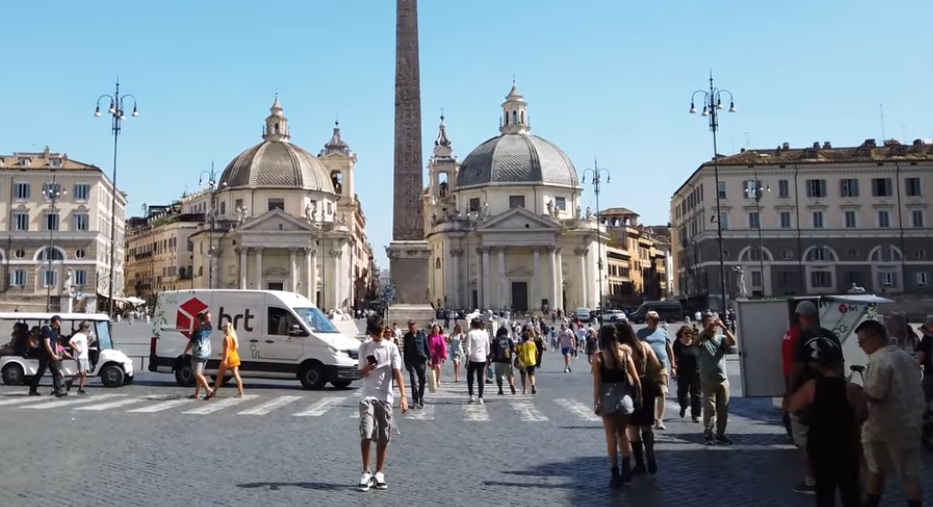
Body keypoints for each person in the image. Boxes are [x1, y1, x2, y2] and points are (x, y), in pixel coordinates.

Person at [788, 330, 865, 507]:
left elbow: (792, 407)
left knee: (824, 492)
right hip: (846, 446)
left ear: (819, 367)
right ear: (839, 365)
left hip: (820, 446)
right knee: (850, 491)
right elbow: (862, 414)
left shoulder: (811, 387)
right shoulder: (851, 389)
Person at [856, 319, 925, 507]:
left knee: (875, 469)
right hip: (910, 423)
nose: (861, 346)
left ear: (874, 337)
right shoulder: (907, 358)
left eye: (862, 342)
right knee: (910, 474)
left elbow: (875, 395)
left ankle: (870, 503)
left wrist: (857, 392)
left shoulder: (879, 361)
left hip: (883, 427)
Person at [357, 314, 408, 492]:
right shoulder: (364, 347)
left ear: (383, 330)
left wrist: (403, 396)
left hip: (385, 397)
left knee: (384, 436)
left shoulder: (392, 347)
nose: (376, 337)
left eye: (378, 334)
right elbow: (360, 373)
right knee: (366, 432)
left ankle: (379, 473)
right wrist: (367, 368)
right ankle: (365, 472)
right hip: (368, 397)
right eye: (373, 334)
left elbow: (397, 372)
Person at [785, 300, 829, 495]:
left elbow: (796, 369)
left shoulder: (799, 337)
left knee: (805, 440)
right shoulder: (828, 335)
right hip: (827, 391)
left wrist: (790, 394)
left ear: (801, 316)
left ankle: (812, 481)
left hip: (805, 393)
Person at [593, 324, 642, 488]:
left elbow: (597, 384)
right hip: (624, 397)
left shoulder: (598, 357)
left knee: (610, 436)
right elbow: (636, 380)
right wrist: (639, 397)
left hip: (607, 398)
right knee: (622, 433)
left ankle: (614, 471)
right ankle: (626, 465)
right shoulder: (625, 355)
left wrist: (596, 401)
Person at [615, 320, 662, 475]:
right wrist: (649, 376)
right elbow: (657, 365)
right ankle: (651, 455)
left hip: (631, 388)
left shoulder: (622, 348)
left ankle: (640, 463)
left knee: (633, 427)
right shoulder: (645, 346)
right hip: (647, 385)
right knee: (647, 425)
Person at [697, 313, 737, 446]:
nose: (713, 326)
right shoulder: (702, 339)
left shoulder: (721, 338)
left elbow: (733, 341)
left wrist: (723, 326)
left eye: (713, 323)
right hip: (707, 380)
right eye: (709, 323)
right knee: (710, 408)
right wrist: (706, 330)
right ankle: (708, 433)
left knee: (723, 409)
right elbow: (694, 343)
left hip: (722, 379)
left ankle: (720, 434)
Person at [637, 310, 675, 430]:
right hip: (646, 369)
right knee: (648, 395)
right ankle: (649, 417)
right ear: (647, 320)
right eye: (653, 320)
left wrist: (673, 366)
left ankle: (659, 419)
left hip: (661, 367)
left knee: (662, 393)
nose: (656, 322)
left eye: (657, 319)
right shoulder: (641, 333)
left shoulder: (663, 332)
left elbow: (669, 349)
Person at [28, 315, 67, 397]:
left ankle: (58, 390)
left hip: (52, 355)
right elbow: (47, 344)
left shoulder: (55, 330)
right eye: (60, 320)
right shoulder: (47, 329)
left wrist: (56, 354)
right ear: (55, 321)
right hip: (45, 355)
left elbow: (55, 343)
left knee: (55, 372)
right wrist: (52, 354)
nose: (61, 322)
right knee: (40, 372)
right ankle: (32, 389)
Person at [207, 321, 244, 398]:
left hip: (228, 359)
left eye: (225, 327)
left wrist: (224, 360)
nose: (223, 328)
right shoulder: (234, 337)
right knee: (237, 376)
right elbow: (231, 349)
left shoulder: (226, 338)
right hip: (235, 357)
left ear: (227, 329)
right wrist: (222, 353)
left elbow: (227, 350)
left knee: (219, 377)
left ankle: (214, 392)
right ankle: (241, 393)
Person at [672, 325, 701, 422]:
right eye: (686, 333)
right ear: (681, 334)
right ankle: (683, 406)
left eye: (690, 333)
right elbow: (674, 357)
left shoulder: (695, 342)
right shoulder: (677, 344)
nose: (689, 335)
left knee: (696, 394)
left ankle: (695, 414)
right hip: (682, 371)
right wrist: (674, 369)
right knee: (682, 392)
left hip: (696, 371)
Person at [183, 311, 214, 400]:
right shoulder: (209, 328)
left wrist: (185, 352)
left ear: (197, 319)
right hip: (206, 354)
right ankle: (197, 393)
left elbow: (191, 343)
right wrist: (207, 317)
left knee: (197, 374)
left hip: (198, 354)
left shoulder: (197, 330)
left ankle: (208, 389)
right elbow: (209, 321)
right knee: (200, 374)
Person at [401, 320, 430, 409]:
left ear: (416, 326)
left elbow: (426, 346)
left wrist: (430, 358)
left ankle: (420, 397)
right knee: (413, 381)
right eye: (409, 326)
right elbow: (405, 350)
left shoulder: (422, 334)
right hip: (411, 361)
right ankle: (415, 401)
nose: (411, 327)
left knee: (422, 380)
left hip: (421, 360)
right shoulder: (407, 336)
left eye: (412, 326)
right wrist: (406, 362)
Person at [463, 318, 490, 404]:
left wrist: (467, 359)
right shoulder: (485, 334)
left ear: (472, 325)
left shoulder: (470, 334)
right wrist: (486, 355)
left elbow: (468, 347)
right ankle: (480, 397)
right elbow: (487, 347)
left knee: (470, 377)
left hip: (472, 358)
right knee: (480, 378)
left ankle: (471, 395)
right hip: (482, 358)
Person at [66, 321, 91, 395]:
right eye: (87, 328)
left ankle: (80, 388)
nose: (88, 329)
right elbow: (70, 342)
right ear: (83, 328)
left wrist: (89, 340)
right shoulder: (77, 335)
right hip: (80, 356)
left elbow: (84, 345)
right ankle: (70, 382)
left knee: (85, 373)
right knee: (81, 372)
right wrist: (77, 350)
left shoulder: (84, 336)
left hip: (85, 356)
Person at [491, 327, 517, 396]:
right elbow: (514, 349)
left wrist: (489, 360)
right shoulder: (509, 340)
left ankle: (500, 389)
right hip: (508, 361)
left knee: (499, 376)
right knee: (510, 375)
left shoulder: (496, 340)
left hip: (498, 361)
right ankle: (511, 384)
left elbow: (492, 351)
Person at [917, 315, 933, 404]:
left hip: (930, 372)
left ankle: (926, 413)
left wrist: (916, 365)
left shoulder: (927, 338)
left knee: (925, 396)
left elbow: (921, 354)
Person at [517, 330, 539, 395]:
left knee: (523, 376)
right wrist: (535, 358)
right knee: (531, 375)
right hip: (532, 361)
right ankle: (532, 385)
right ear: (528, 337)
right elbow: (537, 353)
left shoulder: (520, 344)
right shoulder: (533, 343)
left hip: (523, 362)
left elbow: (517, 352)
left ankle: (525, 389)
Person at [427, 324, 447, 389]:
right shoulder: (430, 336)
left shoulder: (441, 336)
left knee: (438, 367)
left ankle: (438, 379)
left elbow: (444, 347)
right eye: (435, 328)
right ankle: (433, 380)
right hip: (431, 354)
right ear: (433, 329)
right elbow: (427, 346)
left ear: (439, 329)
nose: (436, 329)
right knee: (432, 368)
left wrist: (443, 356)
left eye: (437, 328)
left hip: (438, 354)